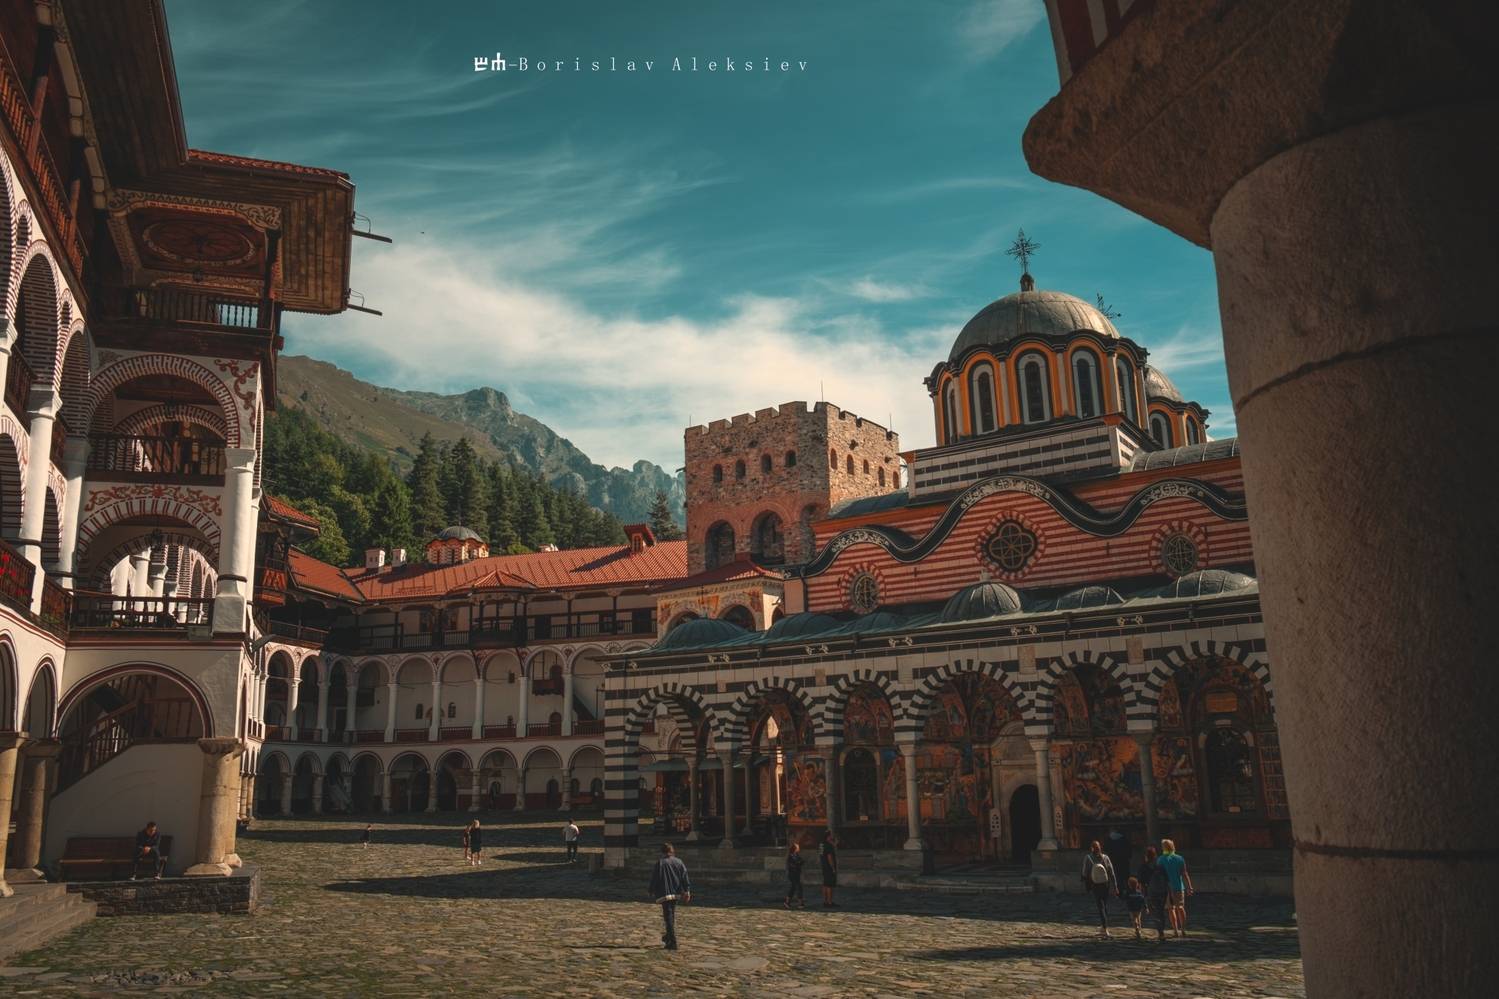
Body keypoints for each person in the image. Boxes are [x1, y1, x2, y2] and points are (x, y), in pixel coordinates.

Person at [647, 843, 692, 951]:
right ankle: (668, 937)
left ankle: (673, 941)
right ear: (672, 851)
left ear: (662, 852)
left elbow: (655, 878)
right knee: (671, 915)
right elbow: (684, 877)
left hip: (665, 893)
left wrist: (651, 890)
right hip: (676, 892)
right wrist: (687, 891)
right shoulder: (679, 862)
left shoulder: (660, 863)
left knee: (668, 917)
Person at [1080, 839, 1118, 938]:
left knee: (1100, 906)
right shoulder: (1105, 857)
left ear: (1092, 848)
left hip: (1095, 884)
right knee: (1104, 905)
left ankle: (1105, 928)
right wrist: (1115, 886)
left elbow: (1084, 872)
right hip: (1105, 884)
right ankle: (1104, 925)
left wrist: (1085, 880)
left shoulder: (1088, 858)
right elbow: (1112, 872)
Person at [1158, 839, 1194, 937]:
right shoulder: (1180, 858)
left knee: (1171, 909)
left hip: (1167, 887)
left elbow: (1158, 875)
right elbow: (1184, 873)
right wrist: (1189, 887)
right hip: (1179, 886)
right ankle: (1183, 928)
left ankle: (1175, 930)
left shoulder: (1161, 859)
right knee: (1181, 907)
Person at [1138, 845, 1169, 941]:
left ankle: (1160, 930)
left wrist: (1143, 896)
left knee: (1154, 911)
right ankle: (1161, 930)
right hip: (1162, 891)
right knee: (1161, 911)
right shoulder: (1160, 866)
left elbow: (1142, 883)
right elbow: (1167, 879)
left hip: (1152, 892)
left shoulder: (1144, 867)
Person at [819, 829, 839, 908]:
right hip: (828, 867)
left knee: (825, 884)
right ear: (828, 836)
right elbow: (829, 857)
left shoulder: (821, 844)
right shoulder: (828, 845)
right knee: (829, 885)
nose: (832, 836)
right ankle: (829, 902)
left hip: (823, 866)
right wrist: (833, 867)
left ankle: (825, 901)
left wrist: (835, 843)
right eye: (830, 835)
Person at [784, 841, 805, 909]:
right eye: (797, 847)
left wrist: (799, 863)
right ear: (795, 848)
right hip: (792, 874)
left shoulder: (797, 855)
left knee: (793, 888)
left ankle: (787, 902)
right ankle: (800, 903)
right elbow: (792, 865)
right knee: (799, 887)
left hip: (797, 874)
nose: (799, 848)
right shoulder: (790, 856)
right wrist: (797, 863)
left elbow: (801, 861)